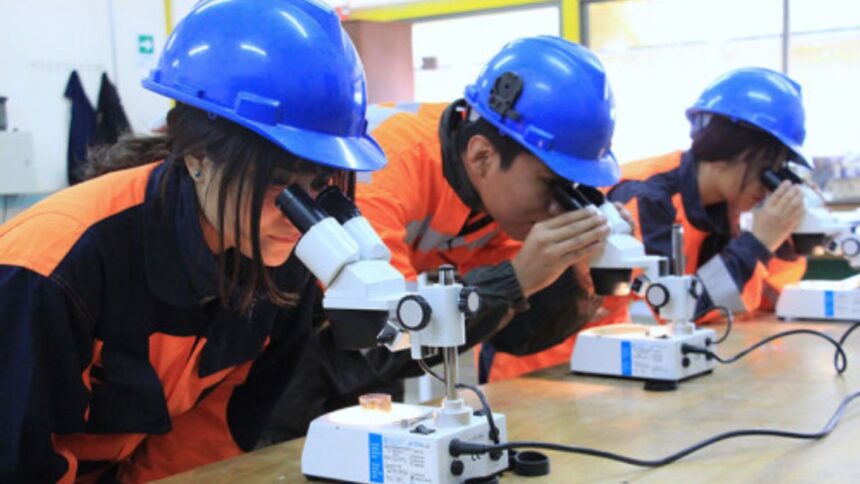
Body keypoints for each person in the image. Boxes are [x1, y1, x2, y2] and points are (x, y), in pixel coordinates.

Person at [0, 1, 386, 482]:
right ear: (198, 156)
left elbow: (211, 432)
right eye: (278, 183)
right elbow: (18, 456)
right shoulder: (55, 269)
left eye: (320, 184)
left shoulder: (284, 259)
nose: (301, 216)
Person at [262, 36, 626, 443]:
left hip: (361, 374)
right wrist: (517, 278)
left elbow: (511, 335)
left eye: (574, 189)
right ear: (482, 156)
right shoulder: (385, 168)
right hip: (284, 351)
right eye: (552, 184)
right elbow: (379, 340)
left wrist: (578, 270)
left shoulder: (502, 201)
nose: (559, 206)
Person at [606, 67, 808, 319]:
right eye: (766, 168)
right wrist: (757, 243)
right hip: (588, 340)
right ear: (724, 149)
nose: (768, 185)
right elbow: (674, 311)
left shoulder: (727, 204)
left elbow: (771, 300)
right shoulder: (648, 196)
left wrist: (784, 236)